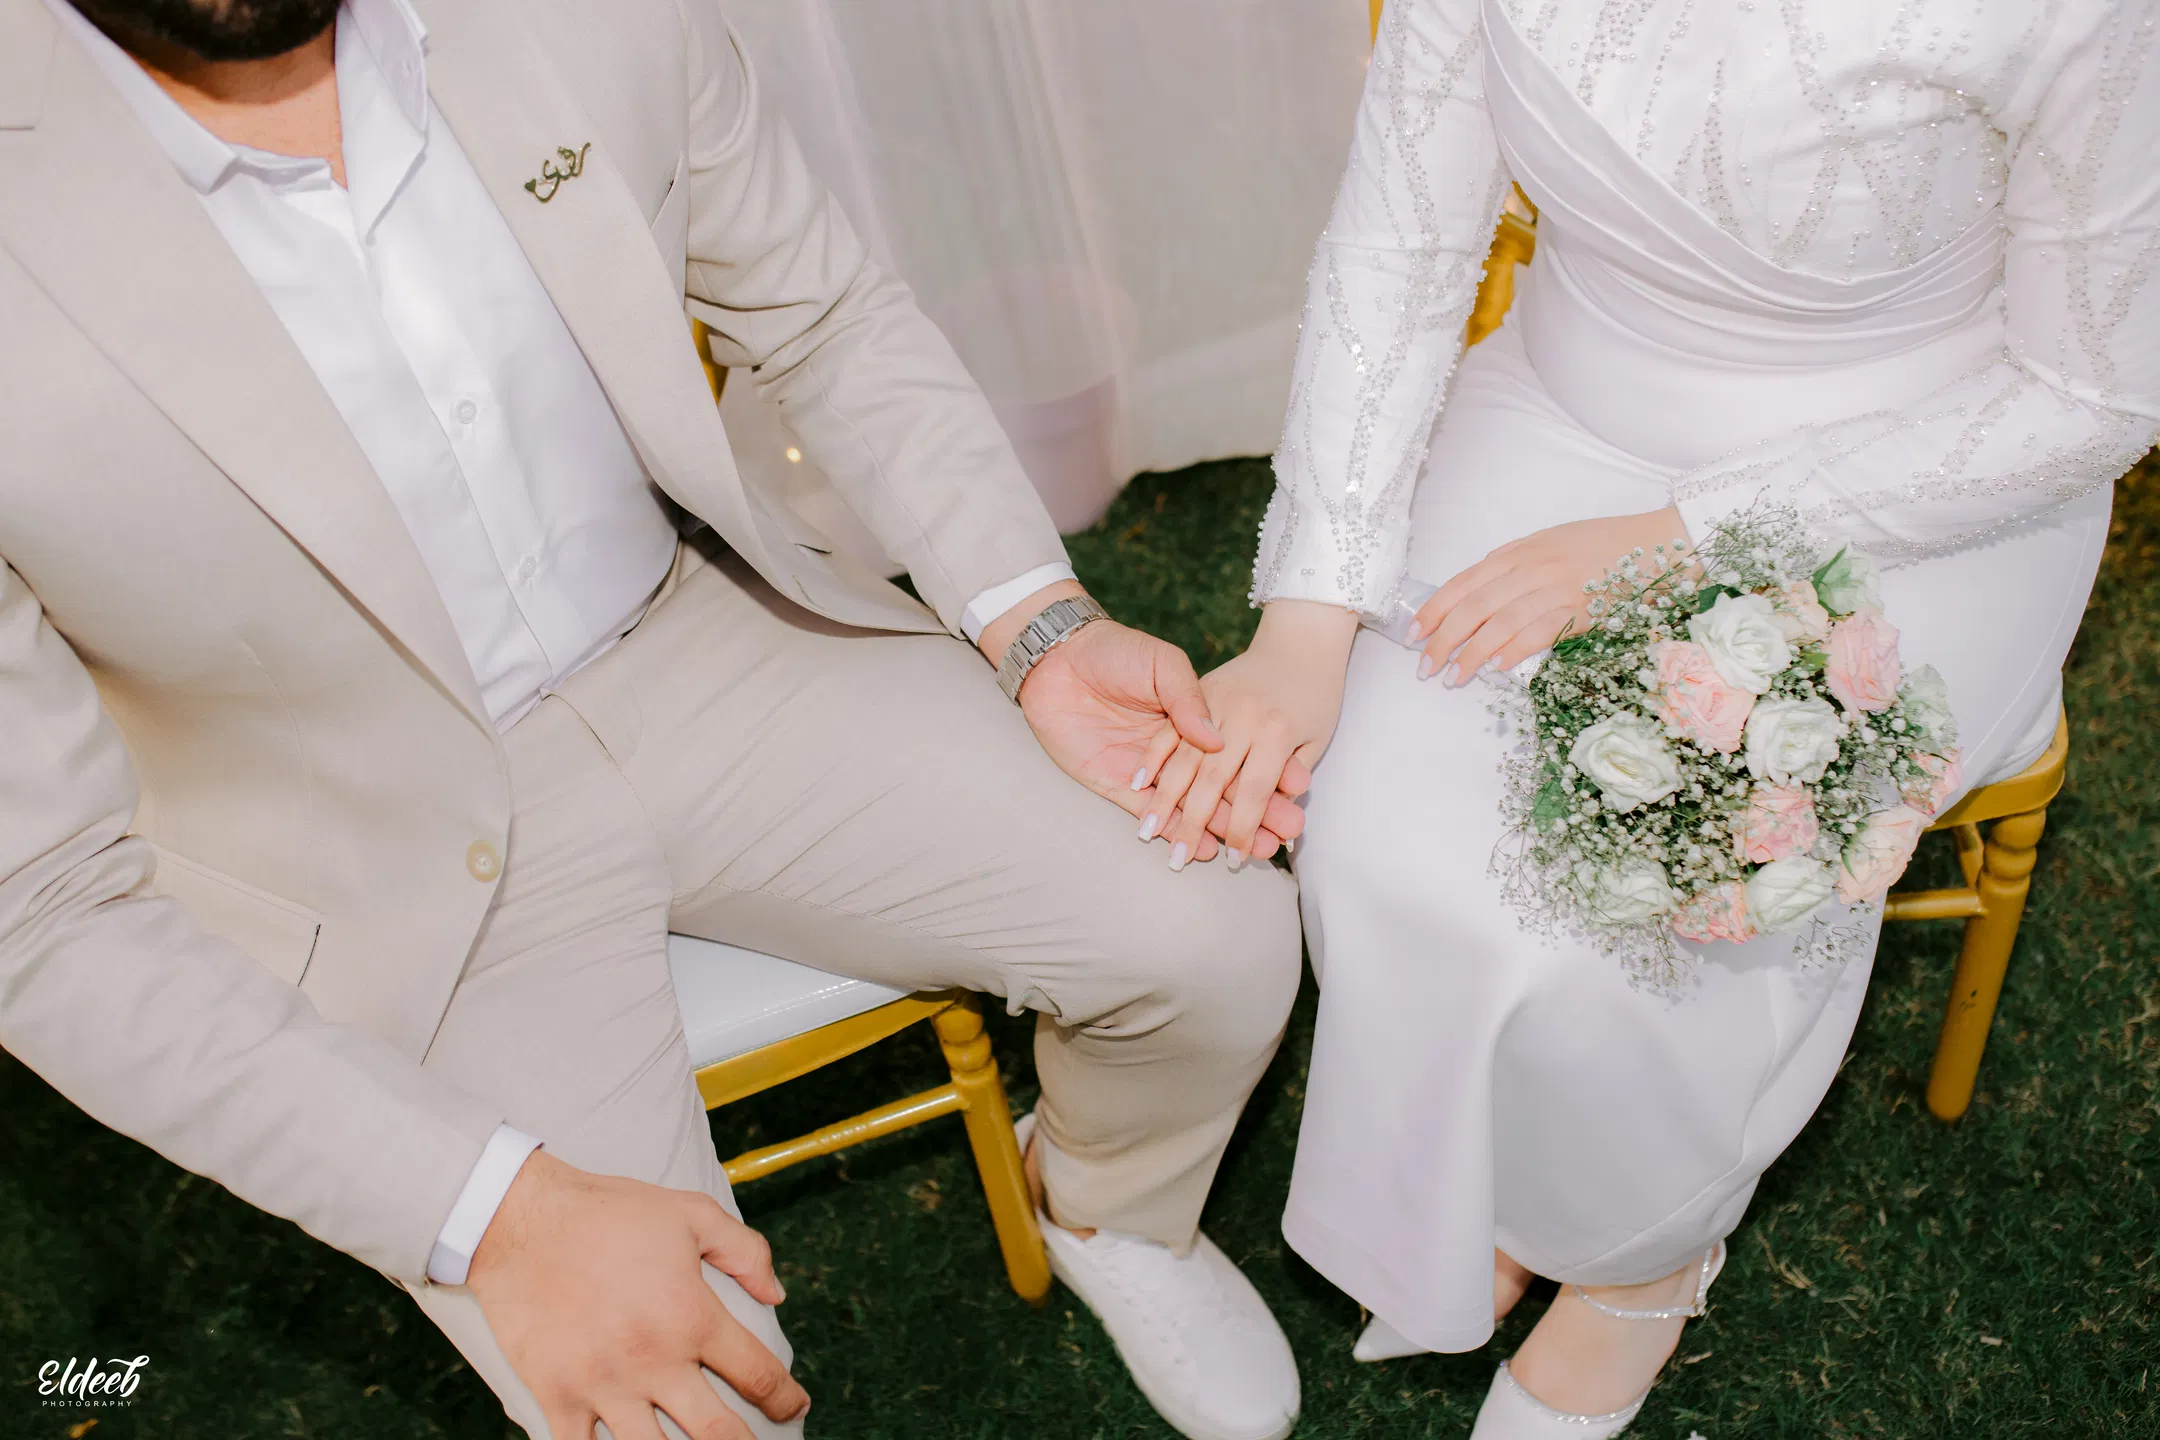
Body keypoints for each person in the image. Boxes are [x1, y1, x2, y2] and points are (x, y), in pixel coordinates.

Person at [0, 0, 1313, 1436]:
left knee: (1219, 930)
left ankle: (1112, 1209)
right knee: (678, 1416)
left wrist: (1041, 627)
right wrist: (488, 1211)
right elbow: (35, 910)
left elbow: (822, 312)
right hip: (365, 843)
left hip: (702, 637)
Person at [1139, 0, 2160, 1434]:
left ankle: (1636, 1267)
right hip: (1563, 408)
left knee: (1666, 895)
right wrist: (1308, 616)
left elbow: (2090, 396)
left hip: (1915, 483)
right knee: (1381, 835)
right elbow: (1401, 247)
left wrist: (1686, 533)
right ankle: (1505, 1181)